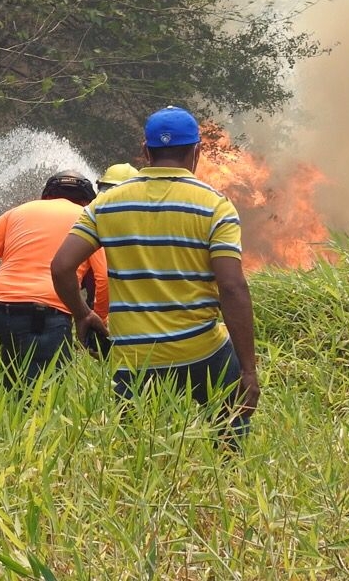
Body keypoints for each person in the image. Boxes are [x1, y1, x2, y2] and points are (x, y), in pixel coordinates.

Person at [50, 106, 258, 441]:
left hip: (132, 355)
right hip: (200, 348)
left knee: (133, 445)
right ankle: (229, 481)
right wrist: (248, 369)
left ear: (146, 152)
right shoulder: (215, 206)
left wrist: (82, 314)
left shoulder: (106, 204)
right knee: (230, 425)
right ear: (196, 152)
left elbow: (61, 267)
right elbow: (232, 287)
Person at [0, 171, 109, 391]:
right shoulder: (88, 216)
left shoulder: (18, 212)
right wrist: (96, 319)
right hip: (47, 313)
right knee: (47, 392)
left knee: (14, 383)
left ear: (46, 195)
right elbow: (103, 276)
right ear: (87, 199)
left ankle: (8, 421)